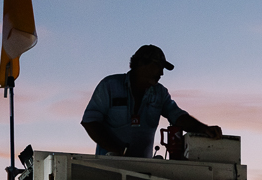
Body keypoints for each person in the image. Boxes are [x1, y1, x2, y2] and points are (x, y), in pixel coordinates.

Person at [81, 45, 221, 157]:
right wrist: (119, 151)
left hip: (143, 170)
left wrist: (204, 128)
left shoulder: (160, 93)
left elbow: (177, 116)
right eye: (158, 66)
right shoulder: (109, 86)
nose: (161, 73)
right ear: (141, 63)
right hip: (108, 167)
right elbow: (90, 122)